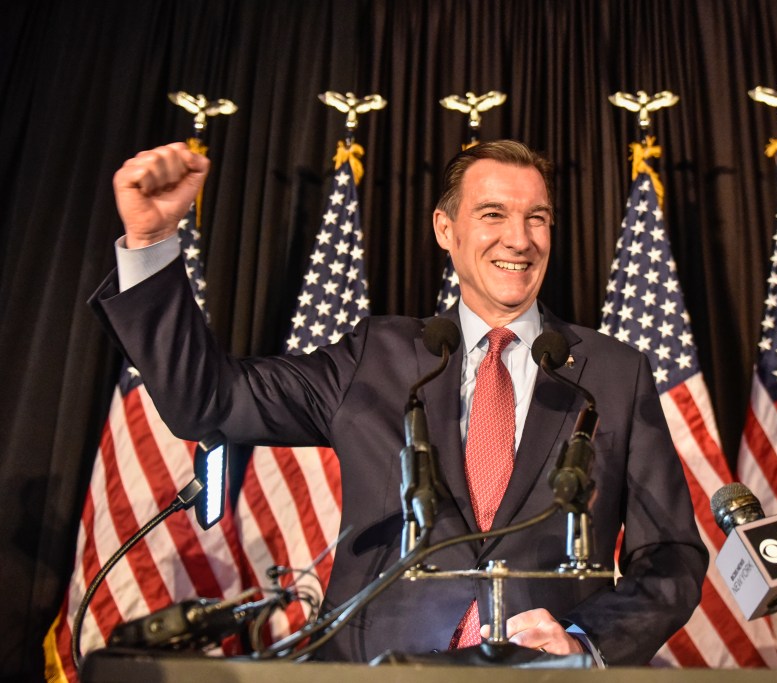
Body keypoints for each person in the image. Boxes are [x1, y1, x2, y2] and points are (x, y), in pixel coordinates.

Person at [90, 139, 708, 665]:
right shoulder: (376, 357)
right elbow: (208, 401)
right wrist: (151, 241)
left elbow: (673, 556)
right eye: (492, 213)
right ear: (446, 229)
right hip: (372, 672)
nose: (518, 240)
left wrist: (582, 641)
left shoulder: (613, 373)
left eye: (537, 218)